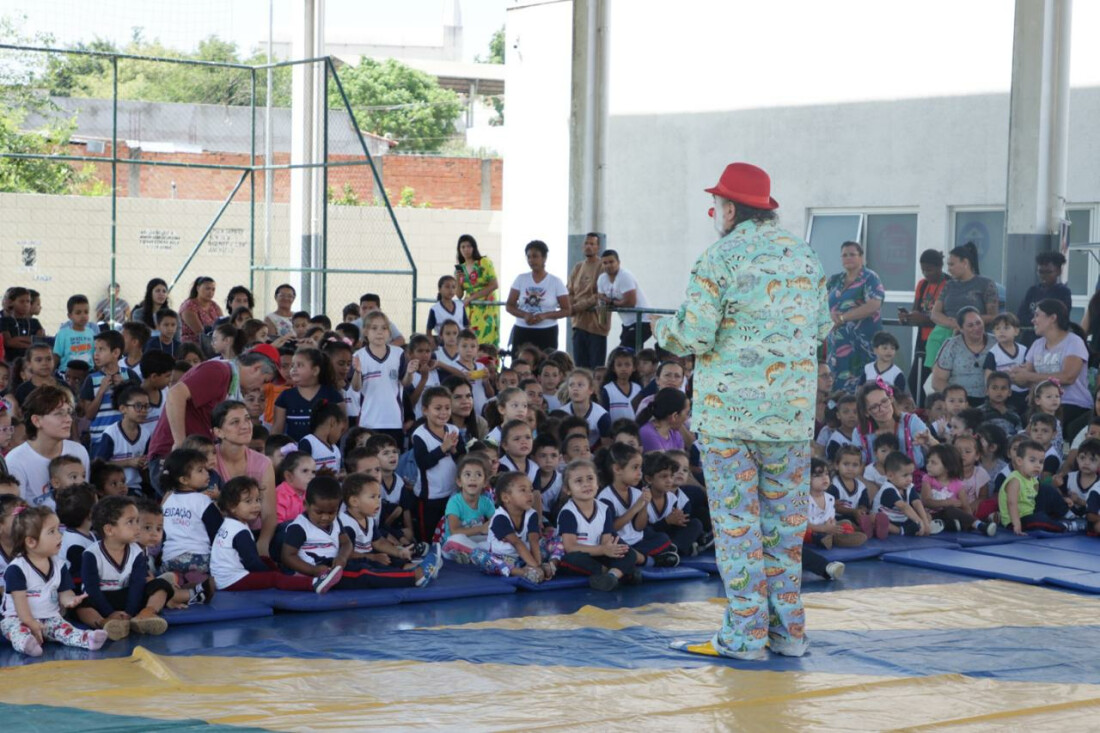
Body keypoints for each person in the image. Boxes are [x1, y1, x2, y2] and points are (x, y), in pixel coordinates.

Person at [656, 162, 831, 660]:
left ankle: (746, 635)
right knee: (783, 529)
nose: (716, 212)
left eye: (718, 204)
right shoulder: (805, 257)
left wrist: (659, 331)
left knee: (738, 527)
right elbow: (819, 328)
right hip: (791, 419)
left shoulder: (719, 258)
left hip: (729, 419)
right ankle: (788, 633)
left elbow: (695, 335)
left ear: (730, 208)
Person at [146, 348, 279, 494]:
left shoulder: (228, 378)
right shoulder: (218, 371)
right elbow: (175, 394)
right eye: (264, 381)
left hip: (193, 459)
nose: (260, 387)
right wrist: (180, 444)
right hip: (173, 456)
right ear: (256, 368)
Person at [1, 506, 109, 656]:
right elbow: (20, 604)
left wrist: (70, 600)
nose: (60, 535)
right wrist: (31, 623)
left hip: (49, 618)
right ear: (31, 542)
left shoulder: (59, 565)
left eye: (59, 529)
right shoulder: (17, 569)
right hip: (19, 618)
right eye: (52, 532)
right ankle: (27, 644)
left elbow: (64, 592)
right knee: (16, 630)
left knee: (65, 629)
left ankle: (86, 639)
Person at [6, 386, 90, 509]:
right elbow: (17, 514)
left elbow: (86, 499)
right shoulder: (15, 460)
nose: (68, 419)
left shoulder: (78, 451)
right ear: (36, 420)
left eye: (69, 412)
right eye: (59, 414)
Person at [211, 400, 277, 556]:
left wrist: (263, 543)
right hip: (217, 534)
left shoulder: (263, 462)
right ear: (218, 432)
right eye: (235, 422)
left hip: (254, 533)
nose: (245, 425)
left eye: (247, 419)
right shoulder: (208, 461)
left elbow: (269, 514)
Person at [1014, 299, 1092, 428]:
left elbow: (1068, 377)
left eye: (1037, 315)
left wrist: (1029, 376)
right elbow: (1024, 380)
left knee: (1044, 425)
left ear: (1052, 318)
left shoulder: (1074, 342)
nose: (1033, 320)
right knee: (1019, 420)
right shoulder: (1037, 344)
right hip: (1042, 404)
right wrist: (1014, 375)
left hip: (1072, 403)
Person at [927, 242, 999, 368]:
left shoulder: (986, 284)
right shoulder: (949, 285)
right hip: (943, 335)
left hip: (973, 338)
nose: (948, 269)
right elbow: (935, 313)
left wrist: (968, 324)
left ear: (965, 263)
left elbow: (993, 316)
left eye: (952, 264)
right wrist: (955, 324)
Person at [825, 241, 885, 393]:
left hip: (862, 347)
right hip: (837, 347)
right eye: (844, 255)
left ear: (861, 257)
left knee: (862, 390)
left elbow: (874, 305)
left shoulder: (870, 277)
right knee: (836, 390)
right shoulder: (834, 280)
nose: (848, 258)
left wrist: (843, 318)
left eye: (852, 254)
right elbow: (818, 304)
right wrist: (829, 315)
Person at [898, 249, 948, 401]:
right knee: (914, 382)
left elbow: (947, 317)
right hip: (923, 341)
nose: (926, 273)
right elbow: (916, 310)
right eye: (923, 270)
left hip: (942, 340)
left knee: (942, 383)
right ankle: (922, 412)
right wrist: (907, 316)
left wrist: (923, 318)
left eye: (929, 269)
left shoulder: (949, 284)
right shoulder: (922, 284)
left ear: (940, 266)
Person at [506, 240, 571, 352]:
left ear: (544, 258)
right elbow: (509, 305)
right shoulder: (521, 279)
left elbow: (567, 310)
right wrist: (524, 315)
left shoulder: (556, 282)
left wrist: (545, 315)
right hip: (522, 329)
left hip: (547, 331)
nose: (531, 260)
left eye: (535, 256)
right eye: (529, 257)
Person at [931, 306, 995, 404]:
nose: (976, 328)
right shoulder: (952, 345)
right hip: (959, 403)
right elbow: (938, 380)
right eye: (970, 325)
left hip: (991, 400)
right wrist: (957, 400)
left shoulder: (996, 343)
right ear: (961, 328)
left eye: (978, 323)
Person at [568, 233, 610, 368]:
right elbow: (568, 292)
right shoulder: (578, 267)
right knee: (580, 368)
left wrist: (575, 307)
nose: (588, 246)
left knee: (596, 370)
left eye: (592, 244)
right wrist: (570, 306)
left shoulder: (602, 267)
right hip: (578, 325)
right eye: (586, 243)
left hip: (597, 326)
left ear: (598, 247)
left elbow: (600, 296)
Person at [598, 249, 652, 351]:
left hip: (643, 321)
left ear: (618, 262)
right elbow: (601, 300)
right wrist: (603, 323)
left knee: (623, 352)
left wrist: (611, 302)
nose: (608, 265)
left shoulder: (625, 276)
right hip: (627, 323)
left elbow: (631, 302)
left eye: (611, 262)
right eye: (605, 263)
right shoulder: (602, 279)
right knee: (632, 353)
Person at [454, 234, 500, 347]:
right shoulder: (461, 268)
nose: (466, 249)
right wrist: (457, 280)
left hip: (486, 306)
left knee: (486, 339)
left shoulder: (484, 262)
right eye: (463, 247)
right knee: (470, 340)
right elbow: (459, 295)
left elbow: (494, 284)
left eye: (469, 246)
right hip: (470, 310)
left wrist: (472, 298)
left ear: (474, 247)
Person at [1017, 252, 1072, 335]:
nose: (1044, 276)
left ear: (1058, 271)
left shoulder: (1063, 292)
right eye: (1040, 272)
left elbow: (1061, 318)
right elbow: (1021, 316)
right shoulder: (1032, 291)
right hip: (1030, 338)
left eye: (1048, 272)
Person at [178, 276, 222, 345]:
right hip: (193, 346)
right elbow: (200, 333)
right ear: (198, 288)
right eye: (207, 289)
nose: (210, 292)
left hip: (214, 343)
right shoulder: (188, 306)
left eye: (213, 290)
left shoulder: (214, 306)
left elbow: (223, 325)